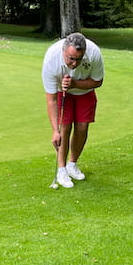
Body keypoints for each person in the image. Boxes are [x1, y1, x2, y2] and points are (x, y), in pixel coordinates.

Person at [42, 32, 104, 188]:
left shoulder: (94, 52)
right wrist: (54, 130)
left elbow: (98, 81)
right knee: (64, 128)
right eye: (71, 58)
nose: (74, 64)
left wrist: (75, 84)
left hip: (84, 90)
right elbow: (51, 100)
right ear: (64, 51)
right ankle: (61, 170)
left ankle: (72, 164)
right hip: (61, 92)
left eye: (78, 59)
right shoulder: (51, 59)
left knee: (82, 127)